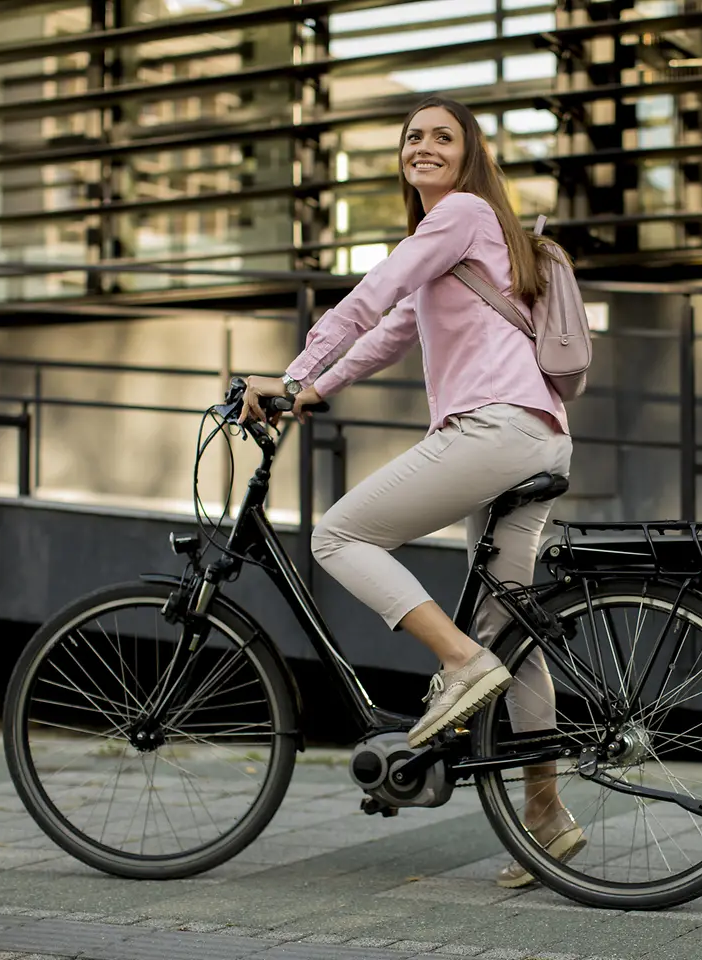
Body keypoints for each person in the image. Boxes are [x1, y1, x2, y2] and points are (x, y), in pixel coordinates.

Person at [240, 94, 585, 887]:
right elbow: (390, 329)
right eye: (413, 137)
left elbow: (372, 292)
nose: (423, 146)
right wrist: (317, 387)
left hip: (495, 430)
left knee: (339, 536)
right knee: (512, 632)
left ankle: (457, 666)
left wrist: (290, 374)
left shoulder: (460, 215)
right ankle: (544, 818)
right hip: (538, 434)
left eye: (442, 137)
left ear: (468, 159)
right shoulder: (457, 246)